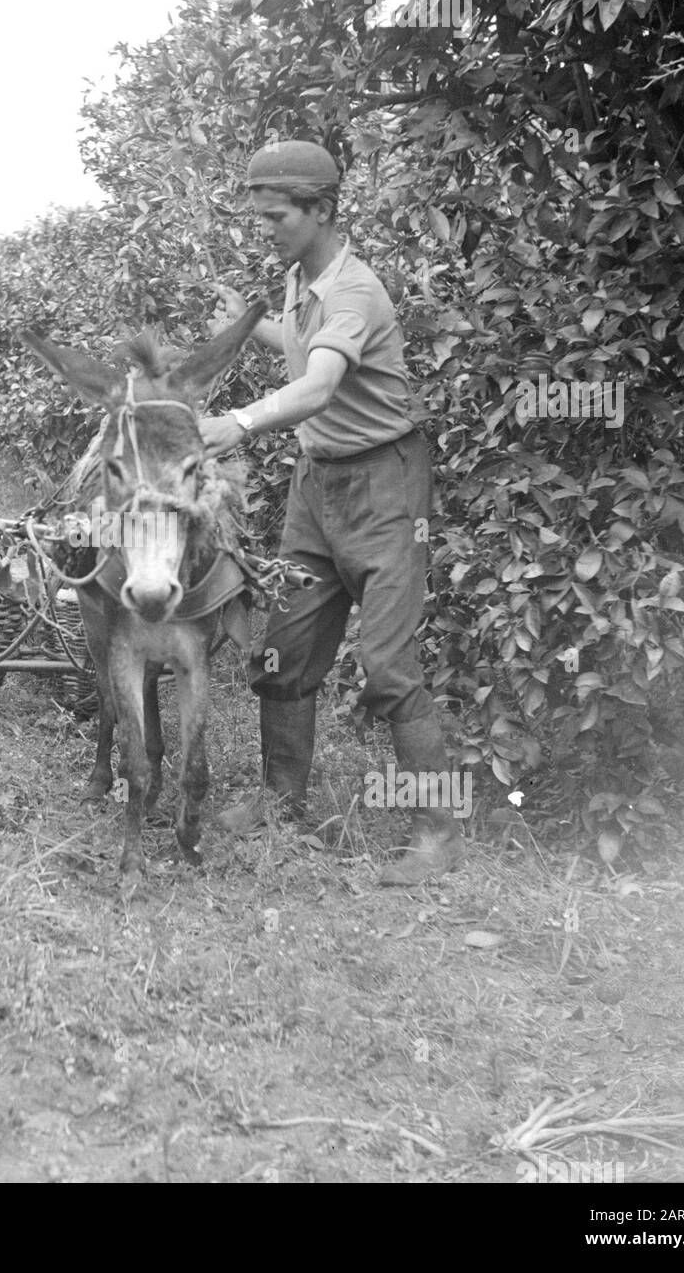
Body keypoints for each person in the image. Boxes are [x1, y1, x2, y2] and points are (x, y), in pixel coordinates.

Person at [199, 138, 463, 884]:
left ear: (320, 210)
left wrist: (240, 424)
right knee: (280, 653)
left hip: (385, 485)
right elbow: (306, 348)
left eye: (275, 214)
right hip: (318, 487)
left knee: (386, 665)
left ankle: (436, 836)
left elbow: (317, 387)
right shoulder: (299, 279)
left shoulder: (352, 289)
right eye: (257, 213)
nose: (263, 226)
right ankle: (282, 801)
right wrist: (250, 325)